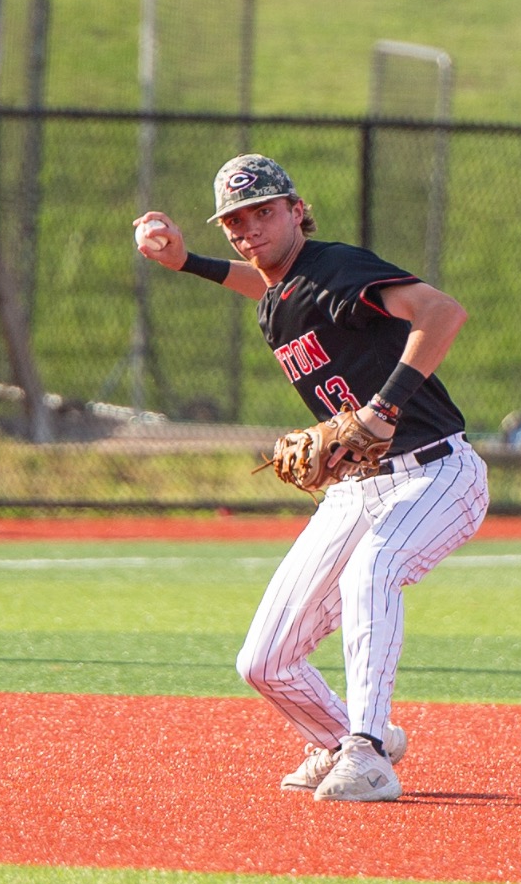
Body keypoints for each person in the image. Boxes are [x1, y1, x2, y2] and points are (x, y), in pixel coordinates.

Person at [134, 155, 489, 803]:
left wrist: (383, 409)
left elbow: (441, 311)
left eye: (264, 211)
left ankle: (368, 752)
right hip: (357, 489)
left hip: (435, 470)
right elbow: (266, 286)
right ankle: (344, 736)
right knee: (263, 661)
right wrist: (187, 261)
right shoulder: (282, 291)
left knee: (370, 573)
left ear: (297, 209)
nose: (249, 228)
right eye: (235, 220)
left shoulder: (336, 266)